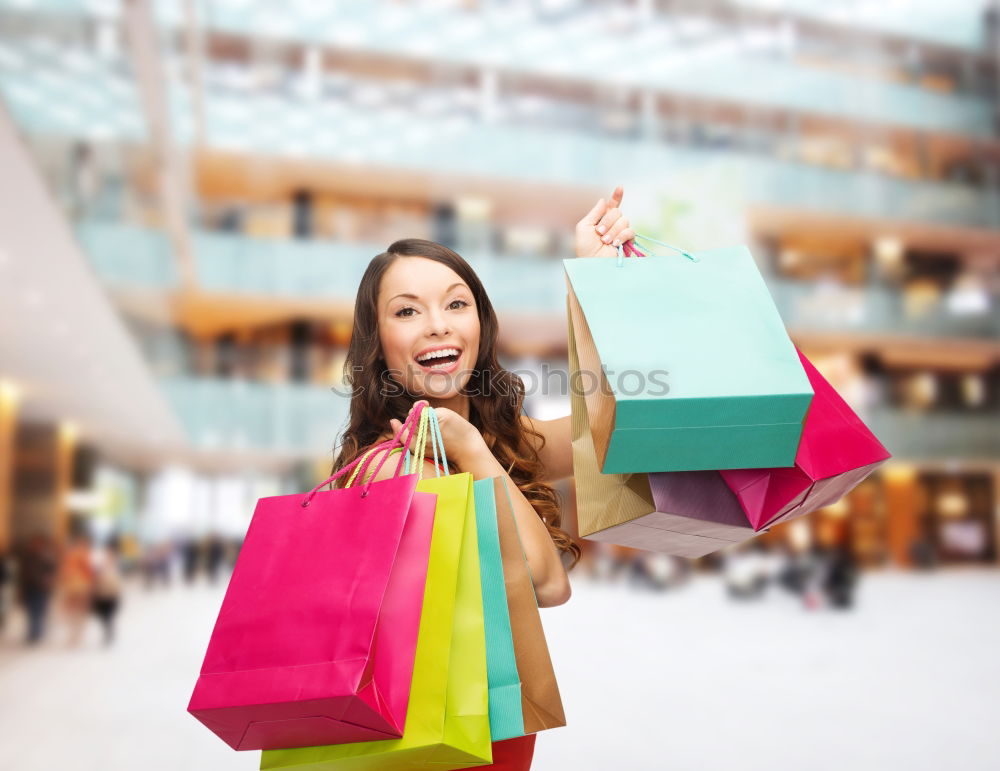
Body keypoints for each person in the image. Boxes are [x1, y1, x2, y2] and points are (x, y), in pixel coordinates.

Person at [329, 186, 636, 613]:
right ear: (376, 343)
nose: (438, 326)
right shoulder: (394, 469)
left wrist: (599, 279)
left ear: (481, 324)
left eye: (456, 304)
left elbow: (622, 428)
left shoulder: (495, 438)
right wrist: (472, 450)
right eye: (407, 311)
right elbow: (547, 584)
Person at [17, 534, 58, 645]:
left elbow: (52, 571)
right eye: (34, 543)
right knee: (31, 610)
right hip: (29, 587)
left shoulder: (47, 556)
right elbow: (22, 572)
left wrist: (48, 581)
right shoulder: (27, 556)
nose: (35, 545)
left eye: (38, 543)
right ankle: (33, 632)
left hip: (41, 587)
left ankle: (37, 632)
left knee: (39, 610)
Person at [60, 532, 94, 646]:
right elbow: (88, 571)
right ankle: (76, 633)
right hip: (79, 585)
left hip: (75, 585)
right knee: (78, 611)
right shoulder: (82, 554)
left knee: (74, 610)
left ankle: (75, 633)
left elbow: (65, 571)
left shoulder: (73, 554)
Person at [91, 540, 123, 646]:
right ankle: (107, 627)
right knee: (102, 613)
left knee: (110, 614)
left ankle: (108, 630)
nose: (110, 554)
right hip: (102, 592)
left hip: (112, 593)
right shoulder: (100, 562)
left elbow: (119, 580)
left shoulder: (117, 564)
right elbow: (95, 575)